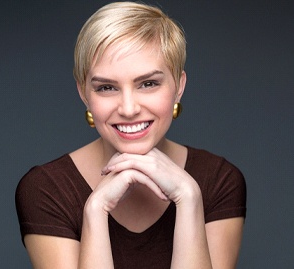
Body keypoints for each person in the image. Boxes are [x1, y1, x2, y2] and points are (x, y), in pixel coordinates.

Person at [15, 2, 246, 268]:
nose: (128, 109)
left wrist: (188, 197)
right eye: (106, 88)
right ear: (83, 94)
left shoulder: (219, 180)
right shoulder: (46, 189)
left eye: (148, 84)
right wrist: (95, 209)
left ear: (179, 87)